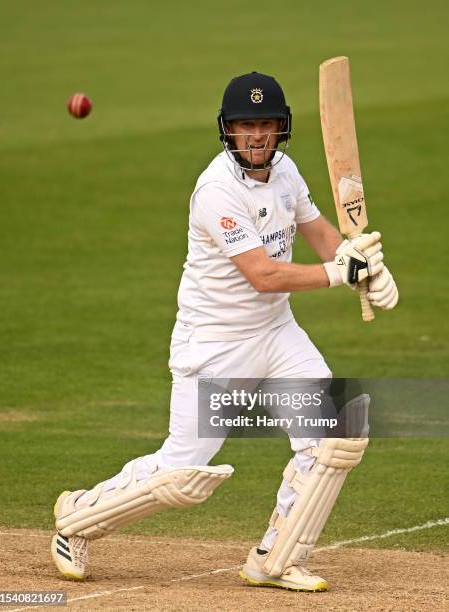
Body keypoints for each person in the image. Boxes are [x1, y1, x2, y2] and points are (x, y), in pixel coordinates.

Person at [51, 72, 398, 590]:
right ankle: (76, 517)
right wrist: (337, 273)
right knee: (181, 474)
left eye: (265, 125)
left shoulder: (285, 172)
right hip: (214, 347)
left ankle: (276, 559)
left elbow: (321, 232)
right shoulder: (217, 190)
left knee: (334, 438)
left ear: (281, 130)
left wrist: (362, 268)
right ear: (228, 131)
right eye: (244, 126)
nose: (255, 136)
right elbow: (263, 275)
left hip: (277, 334)